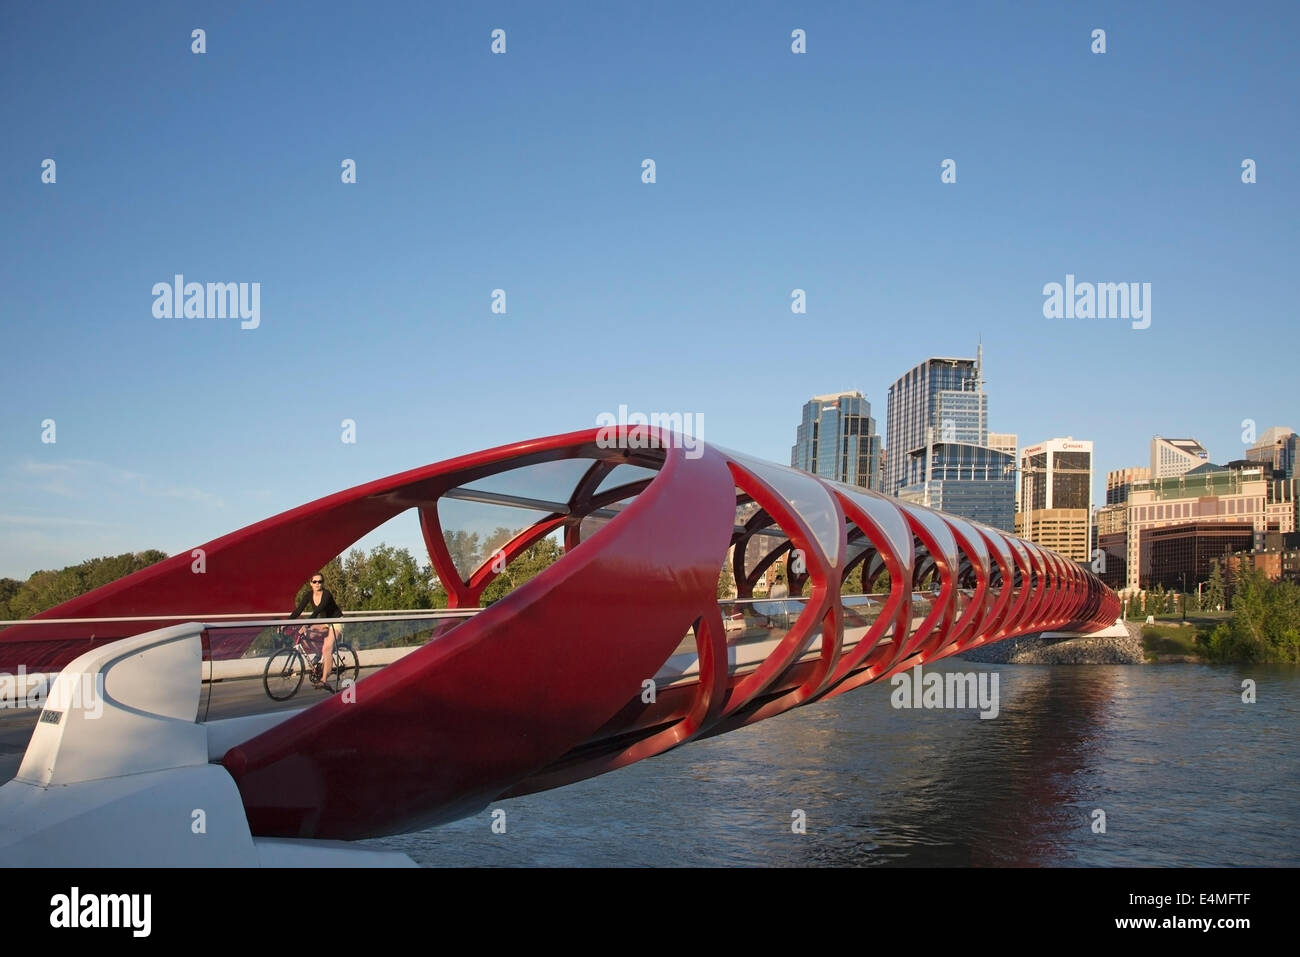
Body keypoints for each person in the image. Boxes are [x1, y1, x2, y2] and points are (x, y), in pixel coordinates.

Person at [289, 574, 342, 689]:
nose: (318, 584)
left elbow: (317, 611)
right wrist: (285, 623)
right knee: (305, 634)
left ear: (323, 583)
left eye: (320, 581)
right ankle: (318, 654)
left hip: (335, 621)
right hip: (324, 622)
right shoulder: (309, 595)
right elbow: (298, 610)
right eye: (315, 581)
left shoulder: (326, 594)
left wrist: (306, 624)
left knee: (327, 648)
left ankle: (324, 681)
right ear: (311, 583)